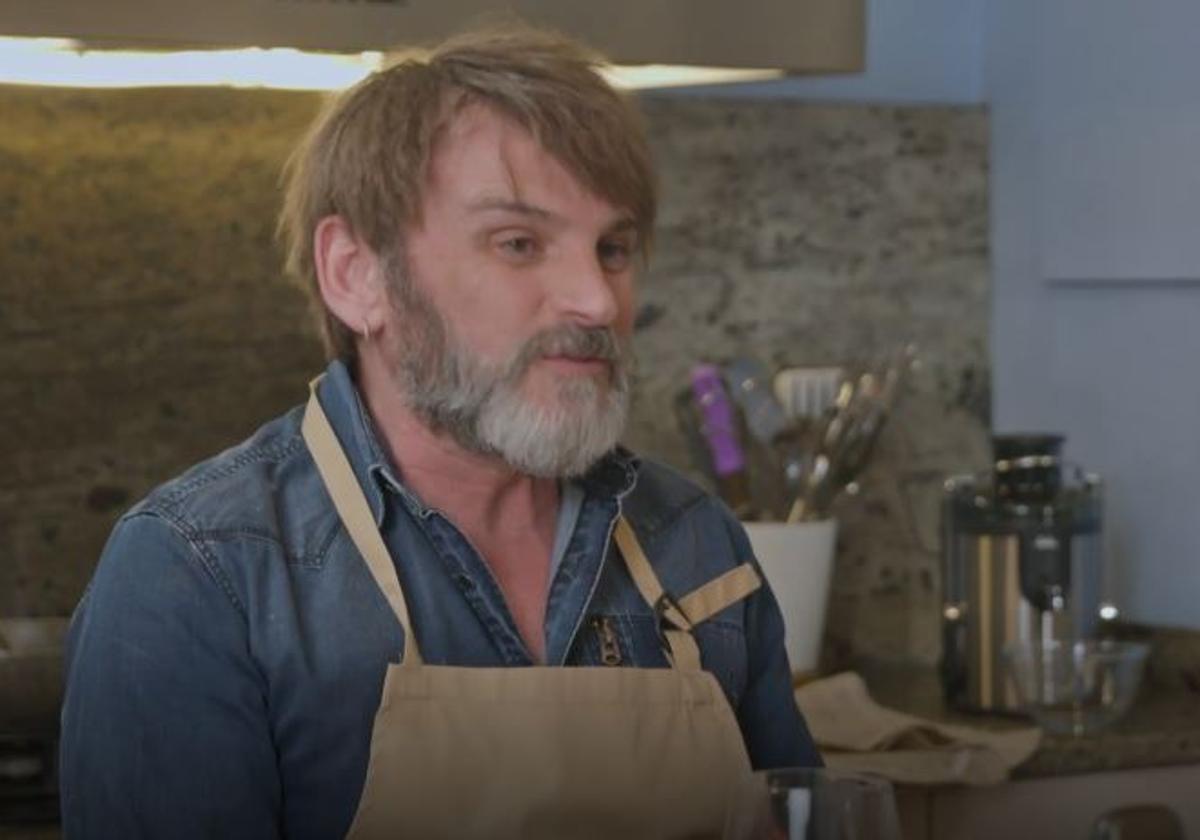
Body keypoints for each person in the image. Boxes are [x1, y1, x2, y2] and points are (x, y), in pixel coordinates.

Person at [60, 25, 821, 839]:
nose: (597, 300)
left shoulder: (698, 551)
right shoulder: (202, 575)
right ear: (358, 276)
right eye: (519, 243)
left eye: (614, 248)